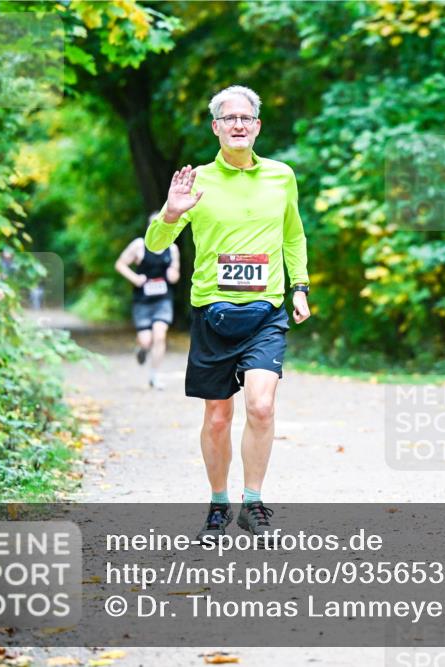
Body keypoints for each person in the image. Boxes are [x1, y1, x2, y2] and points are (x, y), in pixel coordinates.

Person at [145, 85, 310, 544]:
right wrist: (170, 213)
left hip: (266, 312)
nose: (239, 125)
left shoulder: (281, 176)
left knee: (261, 405)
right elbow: (156, 246)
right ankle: (219, 505)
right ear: (216, 127)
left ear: (257, 126)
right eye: (229, 118)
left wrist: (299, 285)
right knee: (217, 418)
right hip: (212, 313)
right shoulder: (194, 180)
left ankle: (252, 502)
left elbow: (293, 236)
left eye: (247, 118)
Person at [115, 215, 180, 390]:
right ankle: (142, 350)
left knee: (160, 335)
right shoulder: (139, 245)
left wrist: (173, 275)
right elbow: (120, 264)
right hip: (142, 300)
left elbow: (175, 273)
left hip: (163, 299)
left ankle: (155, 376)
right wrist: (135, 278)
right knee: (146, 341)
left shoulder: (172, 248)